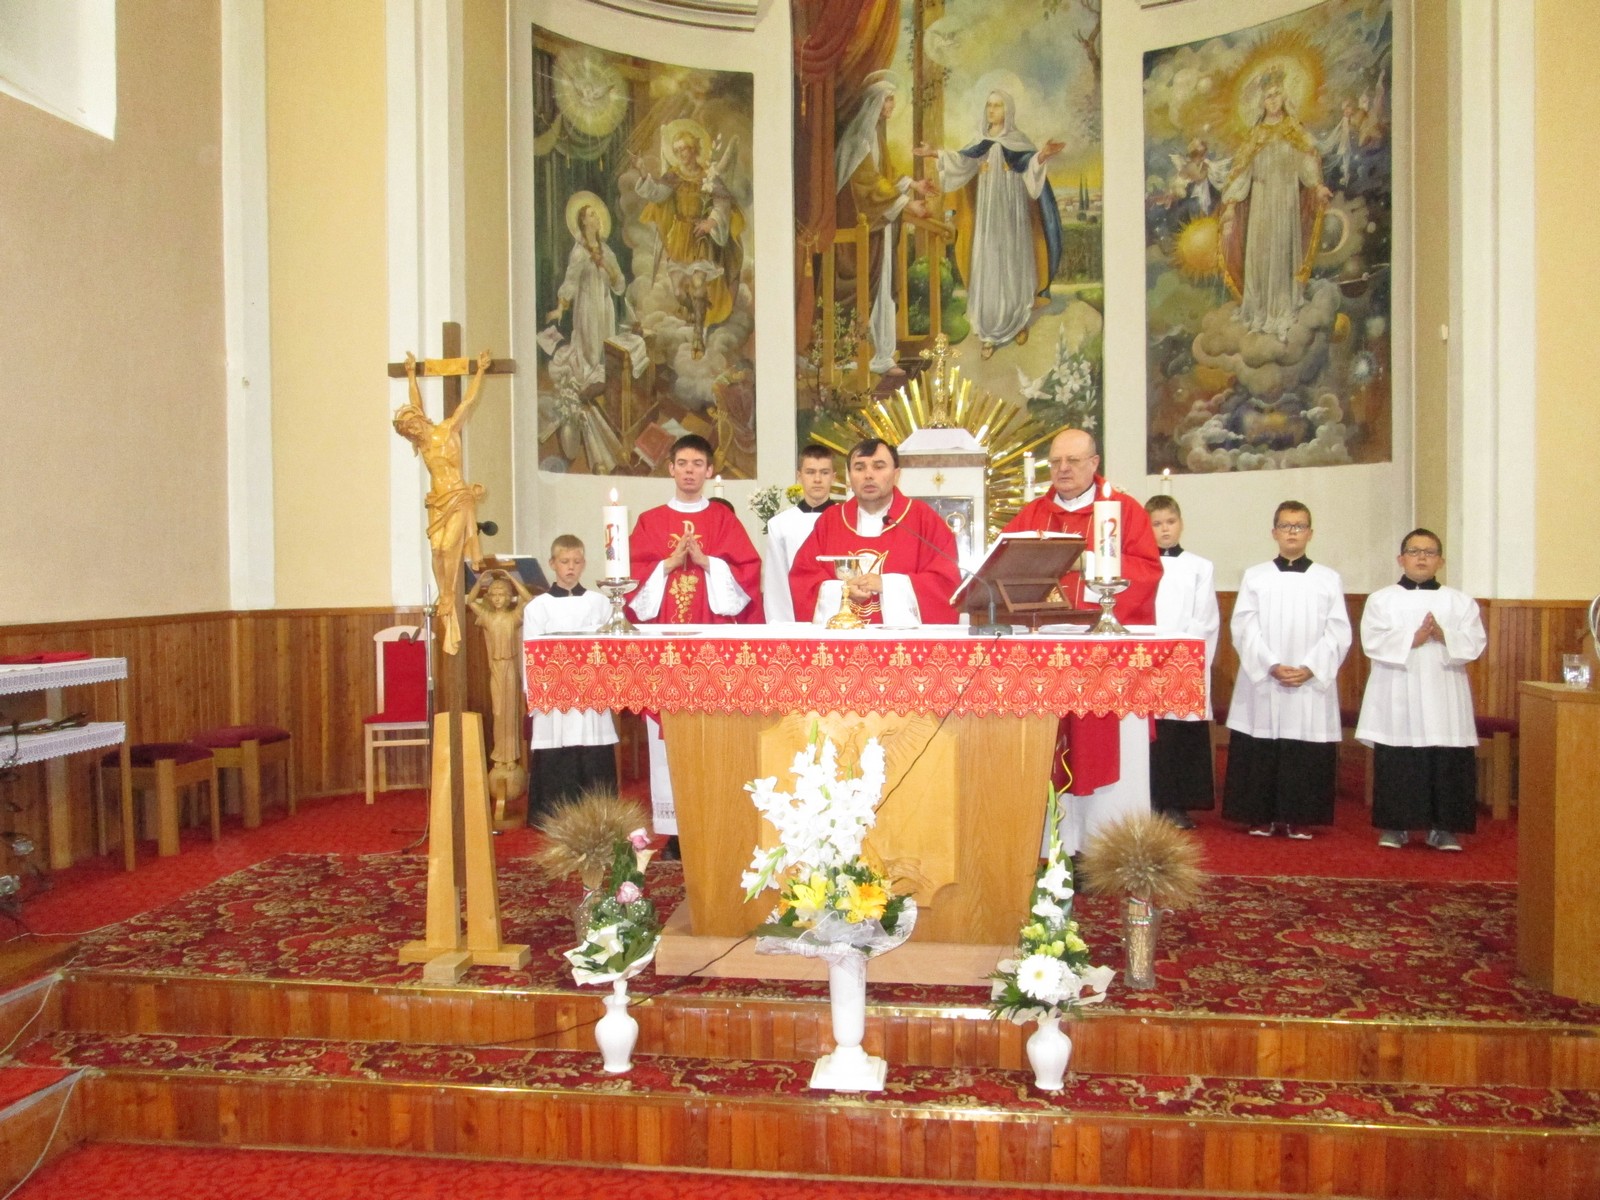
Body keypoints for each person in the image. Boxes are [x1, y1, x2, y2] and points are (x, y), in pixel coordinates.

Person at [1000, 428, 1162, 847]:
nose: (1063, 469)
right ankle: (1050, 848)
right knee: (1043, 750)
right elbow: (1002, 570)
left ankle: (1103, 847)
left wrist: (1091, 564)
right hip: (1041, 656)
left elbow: (1147, 573)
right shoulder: (1032, 515)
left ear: (1094, 463)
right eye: (1055, 462)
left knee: (1102, 752)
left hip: (1104, 656)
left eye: (1073, 461)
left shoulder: (1124, 511)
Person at [627, 434, 763, 849]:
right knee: (666, 733)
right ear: (670, 468)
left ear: (709, 470)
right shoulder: (650, 521)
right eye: (682, 463)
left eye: (697, 464)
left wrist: (708, 563)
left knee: (712, 732)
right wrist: (667, 566)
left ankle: (713, 820)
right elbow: (631, 584)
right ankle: (674, 831)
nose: (689, 471)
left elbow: (748, 579)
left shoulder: (723, 521)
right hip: (665, 650)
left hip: (712, 651)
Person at [1222, 501, 1351, 839]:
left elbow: (1338, 630)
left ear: (1310, 533)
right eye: (1286, 526)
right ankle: (1258, 815)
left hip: (1309, 680)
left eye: (1299, 526)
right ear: (1274, 532)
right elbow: (1244, 626)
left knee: (1303, 745)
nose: (1292, 532)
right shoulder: (1256, 576)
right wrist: (1270, 664)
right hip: (1265, 677)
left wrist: (1311, 667)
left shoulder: (1328, 579)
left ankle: (1300, 817)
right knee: (1261, 739)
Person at [1355, 529, 1486, 851]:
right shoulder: (1381, 599)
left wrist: (1444, 635)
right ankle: (1395, 826)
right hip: (1398, 688)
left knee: (1446, 756)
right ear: (1401, 559)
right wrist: (1411, 640)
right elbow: (1372, 641)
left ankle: (1444, 828)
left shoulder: (1459, 601)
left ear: (1441, 561)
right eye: (1414, 551)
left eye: (1429, 552)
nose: (1422, 558)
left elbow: (1475, 643)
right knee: (1398, 755)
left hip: (1444, 689)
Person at [914, 89, 1063, 359]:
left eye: (997, 106)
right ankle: (989, 333)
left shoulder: (1019, 142)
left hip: (1013, 215)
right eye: (989, 106)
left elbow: (1031, 168)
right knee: (989, 265)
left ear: (1008, 111)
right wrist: (934, 153)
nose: (991, 110)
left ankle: (1018, 321)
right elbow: (961, 162)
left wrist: (1042, 155)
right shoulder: (980, 142)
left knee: (1014, 264)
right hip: (987, 216)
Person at [788, 438, 961, 626]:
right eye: (859, 468)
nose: (868, 475)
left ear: (896, 474)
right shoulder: (830, 521)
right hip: (842, 640)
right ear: (849, 477)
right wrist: (843, 590)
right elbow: (803, 579)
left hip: (902, 643)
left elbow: (945, 584)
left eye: (879, 467)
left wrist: (885, 585)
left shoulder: (923, 519)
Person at [1218, 68, 1332, 340]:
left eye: (1276, 95)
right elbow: (1243, 173)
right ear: (1262, 101)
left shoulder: (1294, 131)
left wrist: (1317, 186)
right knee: (1260, 253)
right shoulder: (1255, 135)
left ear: (1284, 97)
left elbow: (1306, 164)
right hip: (1261, 201)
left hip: (1285, 201)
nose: (1272, 100)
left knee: (1281, 251)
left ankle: (1281, 311)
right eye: (1268, 96)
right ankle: (1258, 310)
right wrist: (1231, 205)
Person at [835, 73, 937, 374]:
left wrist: (914, 186)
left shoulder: (874, 138)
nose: (892, 105)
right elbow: (868, 186)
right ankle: (858, 357)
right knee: (868, 292)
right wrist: (907, 203)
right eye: (888, 99)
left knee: (882, 291)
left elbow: (886, 176)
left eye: (892, 99)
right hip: (860, 231)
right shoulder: (858, 141)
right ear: (875, 103)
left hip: (877, 228)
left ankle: (882, 356)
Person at [391, 349, 492, 656]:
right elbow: (415, 398)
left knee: (448, 547)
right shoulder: (422, 445)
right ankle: (445, 596)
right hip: (436, 502)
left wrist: (480, 371)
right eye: (407, 431)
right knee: (436, 550)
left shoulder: (447, 429)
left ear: (419, 419)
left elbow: (467, 402)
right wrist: (411, 374)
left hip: (458, 497)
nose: (412, 430)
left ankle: (447, 600)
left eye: (412, 424)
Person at [521, 537, 618, 825]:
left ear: (584, 564)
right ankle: (553, 814)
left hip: (591, 693)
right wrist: (533, 692)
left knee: (592, 748)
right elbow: (530, 654)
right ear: (552, 564)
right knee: (557, 747)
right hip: (554, 696)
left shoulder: (600, 603)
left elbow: (609, 648)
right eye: (564, 562)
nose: (570, 568)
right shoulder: (537, 607)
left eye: (576, 561)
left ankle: (598, 814)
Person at [634, 119, 744, 359]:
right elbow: (657, 194)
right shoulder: (674, 176)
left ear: (695, 149)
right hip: (679, 238)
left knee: (698, 283)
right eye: (678, 150)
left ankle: (698, 336)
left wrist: (710, 222)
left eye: (686, 148)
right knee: (678, 291)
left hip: (700, 238)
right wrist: (643, 172)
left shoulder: (708, 176)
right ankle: (696, 309)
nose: (682, 154)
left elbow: (723, 202)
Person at [1145, 495, 1220, 830]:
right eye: (1157, 524)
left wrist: (1180, 653)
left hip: (1183, 660)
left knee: (1179, 733)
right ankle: (1147, 800)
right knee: (1150, 734)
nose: (1165, 529)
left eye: (1170, 522)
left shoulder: (1199, 567)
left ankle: (1176, 804)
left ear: (1181, 523)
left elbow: (1205, 617)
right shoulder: (1139, 565)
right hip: (1146, 660)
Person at [465, 568, 535, 804]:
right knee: (498, 712)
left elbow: (528, 599)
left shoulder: (513, 617)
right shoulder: (487, 617)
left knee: (510, 713)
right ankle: (499, 757)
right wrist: (481, 582)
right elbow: (470, 601)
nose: (497, 599)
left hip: (510, 668)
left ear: (508, 597)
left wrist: (511, 577)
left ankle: (511, 758)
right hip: (495, 668)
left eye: (502, 595)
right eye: (493, 595)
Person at [545, 194, 626, 393]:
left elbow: (619, 284)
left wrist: (606, 266)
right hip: (587, 308)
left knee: (605, 349)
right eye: (592, 215)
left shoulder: (607, 251)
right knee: (590, 354)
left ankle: (602, 386)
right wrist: (560, 308)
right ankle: (591, 385)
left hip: (605, 307)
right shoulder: (579, 252)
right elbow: (570, 282)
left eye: (597, 215)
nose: (597, 218)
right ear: (583, 221)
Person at [762, 444, 838, 623]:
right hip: (794, 617)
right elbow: (776, 582)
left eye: (824, 472)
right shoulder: (780, 524)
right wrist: (782, 627)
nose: (817, 479)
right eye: (810, 472)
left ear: (833, 477)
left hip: (839, 615)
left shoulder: (846, 520)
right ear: (799, 476)